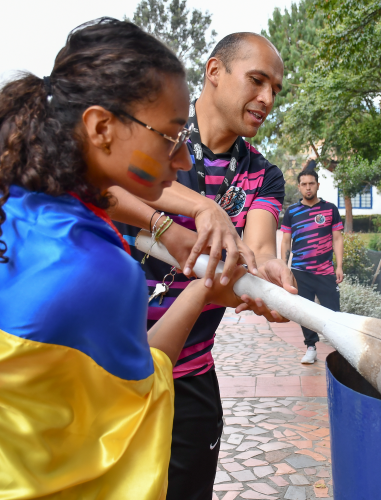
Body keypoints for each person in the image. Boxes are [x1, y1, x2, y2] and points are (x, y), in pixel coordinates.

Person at [0, 18, 268, 499]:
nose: (182, 161)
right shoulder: (100, 270)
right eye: (169, 136)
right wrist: (205, 290)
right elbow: (142, 398)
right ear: (100, 127)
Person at [112, 32, 295, 500]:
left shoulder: (263, 174)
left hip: (189, 372)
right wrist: (199, 210)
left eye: (275, 89)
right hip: (110, 366)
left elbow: (255, 253)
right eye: (256, 81)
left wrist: (267, 279)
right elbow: (109, 184)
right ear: (214, 72)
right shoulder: (158, 131)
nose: (267, 98)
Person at [280, 168, 344, 364]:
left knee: (333, 312)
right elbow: (285, 241)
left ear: (317, 185)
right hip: (301, 272)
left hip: (325, 271)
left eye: (311, 183)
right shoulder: (291, 212)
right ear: (299, 187)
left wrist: (339, 266)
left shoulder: (330, 209)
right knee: (305, 313)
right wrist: (283, 266)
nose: (308, 188)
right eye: (304, 184)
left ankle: (341, 349)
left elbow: (337, 238)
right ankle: (310, 347)